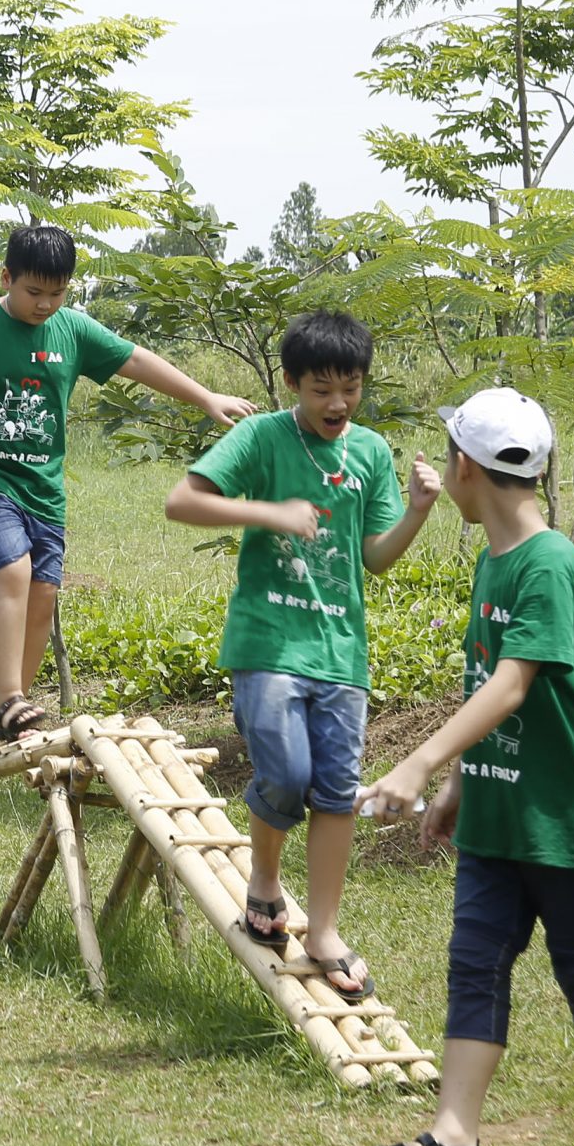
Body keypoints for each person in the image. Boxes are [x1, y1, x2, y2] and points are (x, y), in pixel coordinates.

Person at [349, 387, 574, 1146]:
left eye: (450, 458)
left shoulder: (550, 563)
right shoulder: (497, 558)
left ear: (465, 467)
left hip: (565, 815)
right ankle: (452, 1141)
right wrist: (455, 782)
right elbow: (487, 678)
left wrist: (415, 762)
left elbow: (514, 684)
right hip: (499, 808)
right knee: (475, 963)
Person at [163, 311, 441, 998]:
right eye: (322, 389)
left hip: (341, 654)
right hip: (267, 642)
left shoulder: (371, 452)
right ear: (292, 382)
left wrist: (415, 512)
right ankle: (263, 880)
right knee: (285, 772)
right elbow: (181, 502)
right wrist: (270, 513)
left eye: (350, 387)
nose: (338, 403)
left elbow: (373, 558)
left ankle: (323, 930)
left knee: (336, 793)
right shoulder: (262, 437)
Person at [0, 223, 256, 743]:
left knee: (43, 593)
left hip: (43, 485)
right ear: (6, 277)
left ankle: (15, 708)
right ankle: (7, 699)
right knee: (12, 567)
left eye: (57, 292)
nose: (45, 304)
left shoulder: (72, 328)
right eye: (33, 292)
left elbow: (135, 360)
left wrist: (205, 398)